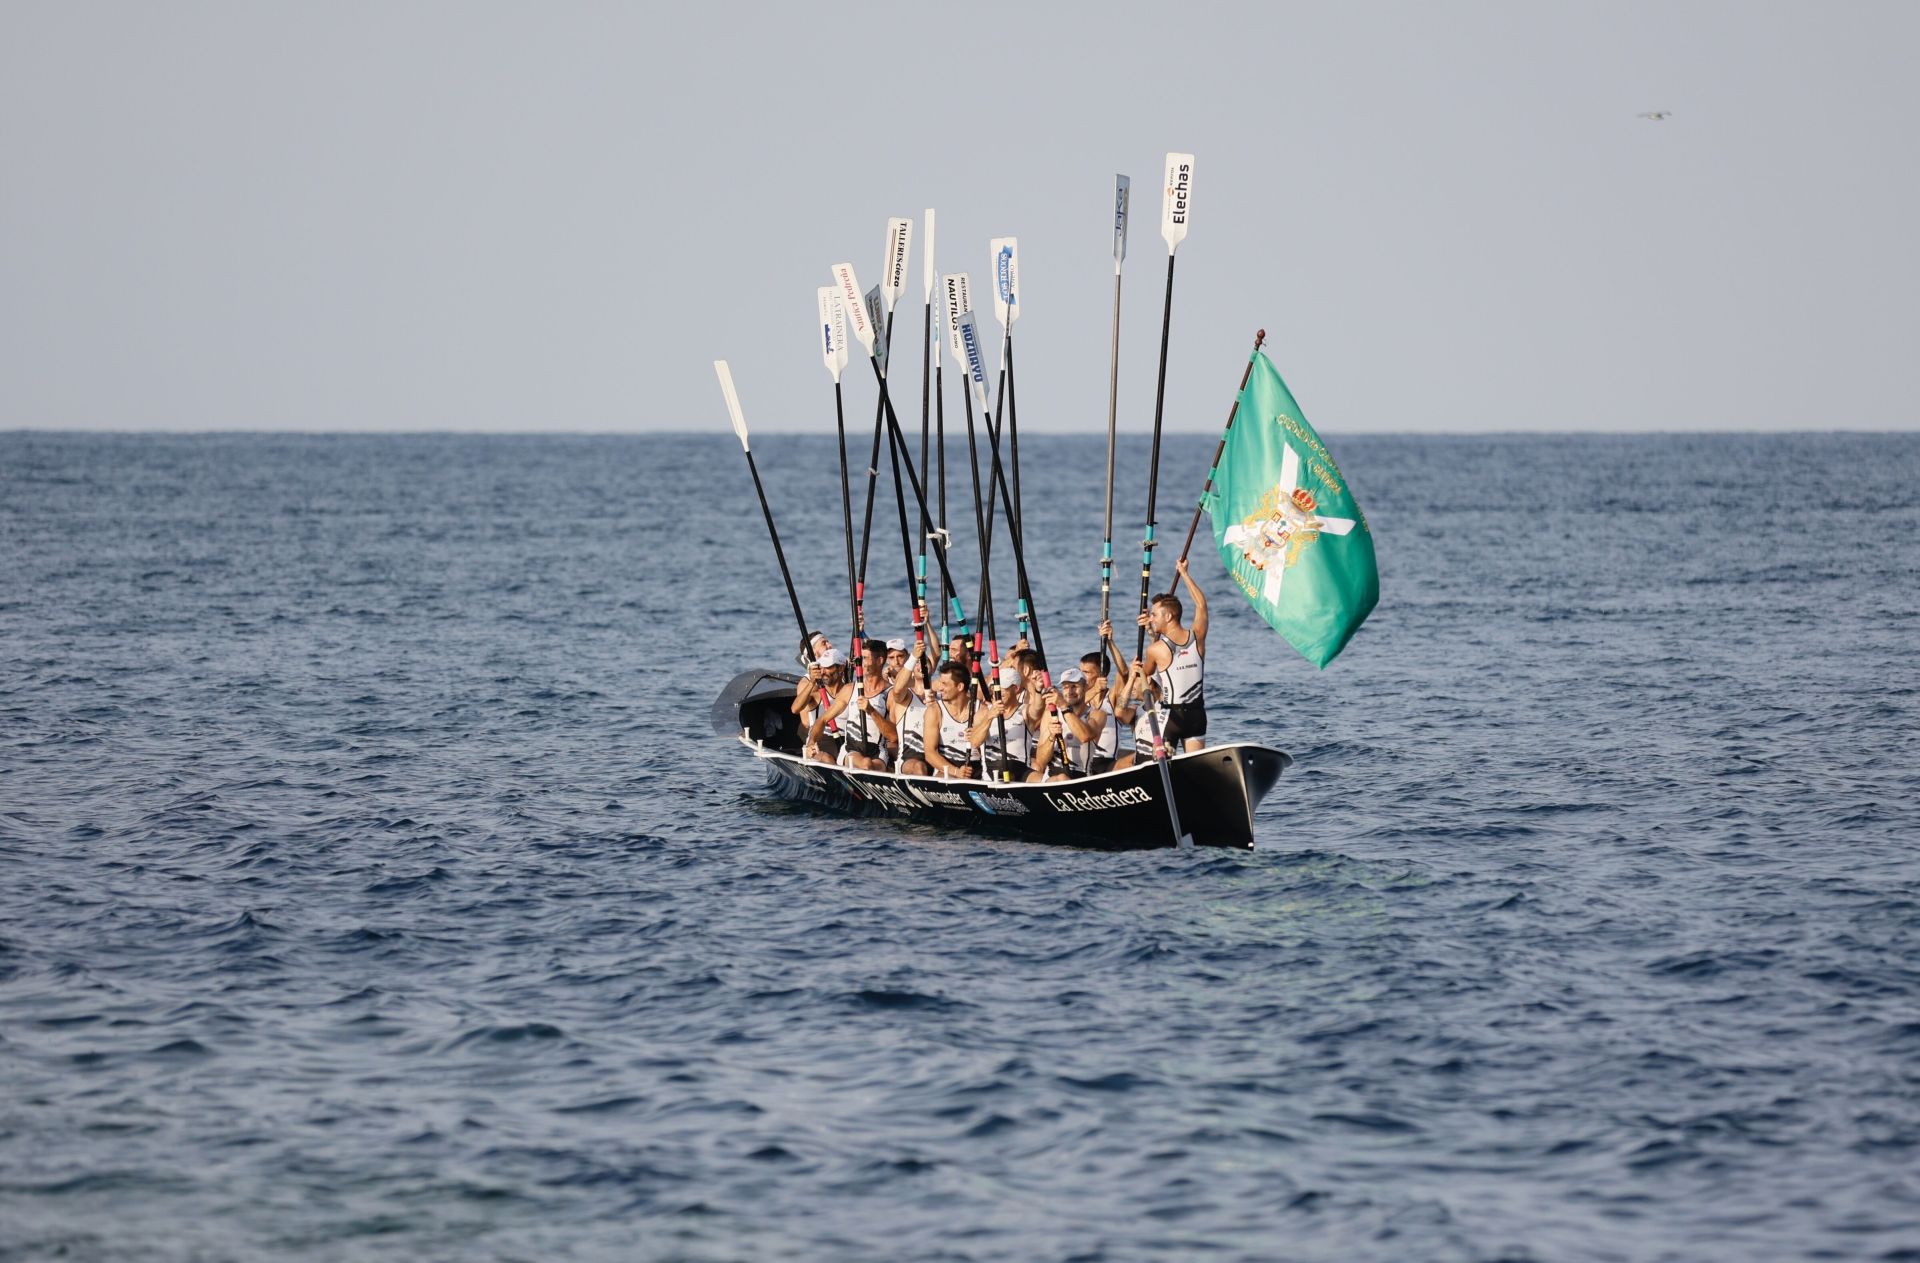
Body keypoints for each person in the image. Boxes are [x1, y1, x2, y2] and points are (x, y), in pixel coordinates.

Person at [1136, 557, 1209, 752]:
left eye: (1154, 615)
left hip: (1171, 716)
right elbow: (1201, 605)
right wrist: (1185, 573)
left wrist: (1151, 637)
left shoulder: (1156, 649)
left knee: (1168, 768)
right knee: (1194, 768)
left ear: (1168, 616)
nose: (1151, 618)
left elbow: (1145, 674)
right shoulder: (1197, 636)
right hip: (1196, 715)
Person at [1053, 667, 1117, 776]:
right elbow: (1041, 761)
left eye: (1074, 686)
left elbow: (1084, 736)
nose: (1069, 691)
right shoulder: (1052, 714)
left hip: (1081, 775)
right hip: (1052, 774)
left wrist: (1064, 707)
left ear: (1086, 687)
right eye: (1065, 687)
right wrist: (1050, 738)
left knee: (1063, 778)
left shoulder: (1098, 714)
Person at [923, 661, 982, 779]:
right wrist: (956, 772)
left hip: (977, 768)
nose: (940, 688)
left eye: (944, 684)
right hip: (947, 770)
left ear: (960, 686)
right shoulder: (934, 711)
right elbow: (929, 753)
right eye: (940, 683)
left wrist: (978, 738)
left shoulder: (980, 710)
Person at [799, 649, 851, 764]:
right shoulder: (817, 692)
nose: (823, 672)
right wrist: (812, 682)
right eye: (821, 667)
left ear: (841, 668)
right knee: (827, 759)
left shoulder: (850, 690)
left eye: (828, 667)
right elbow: (795, 709)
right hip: (822, 738)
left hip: (847, 738)